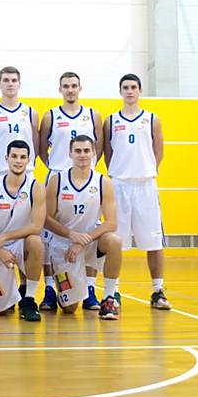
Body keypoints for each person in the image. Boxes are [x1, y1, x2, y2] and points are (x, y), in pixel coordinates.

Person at [103, 73, 170, 310]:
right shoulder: (110, 121)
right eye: (125, 87)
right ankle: (114, 292)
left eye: (133, 87)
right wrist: (119, 173)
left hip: (145, 186)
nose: (129, 91)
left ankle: (158, 291)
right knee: (115, 242)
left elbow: (158, 151)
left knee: (153, 241)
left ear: (139, 90)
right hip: (119, 185)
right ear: (120, 91)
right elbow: (108, 154)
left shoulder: (152, 119)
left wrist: (146, 171)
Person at [38, 72, 104, 311]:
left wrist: (85, 168)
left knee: (91, 233)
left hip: (86, 182)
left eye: (74, 86)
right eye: (66, 86)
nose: (70, 90)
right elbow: (40, 148)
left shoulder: (93, 115)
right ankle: (48, 289)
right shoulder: (50, 116)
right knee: (47, 236)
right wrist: (57, 169)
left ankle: (89, 290)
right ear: (60, 89)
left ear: (80, 88)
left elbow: (101, 145)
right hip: (58, 178)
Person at [45, 135, 122, 319]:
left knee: (114, 241)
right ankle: (62, 284)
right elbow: (46, 219)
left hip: (90, 242)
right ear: (70, 153)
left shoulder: (103, 182)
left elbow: (111, 222)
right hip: (63, 246)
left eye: (87, 150)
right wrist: (72, 235)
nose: (82, 155)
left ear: (94, 153)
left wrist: (82, 241)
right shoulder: (57, 180)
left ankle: (109, 298)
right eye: (78, 151)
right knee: (70, 308)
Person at [0, 140, 46, 322]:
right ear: (6, 158)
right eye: (14, 156)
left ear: (29, 160)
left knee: (36, 241)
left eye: (23, 157)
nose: (18, 161)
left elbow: (37, 226)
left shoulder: (36, 187)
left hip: (18, 243)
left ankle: (29, 299)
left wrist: (5, 237)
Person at [0, 66, 39, 181]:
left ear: (19, 84)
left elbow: (35, 147)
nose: (10, 84)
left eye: (14, 80)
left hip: (25, 173)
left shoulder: (31, 113)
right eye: (6, 80)